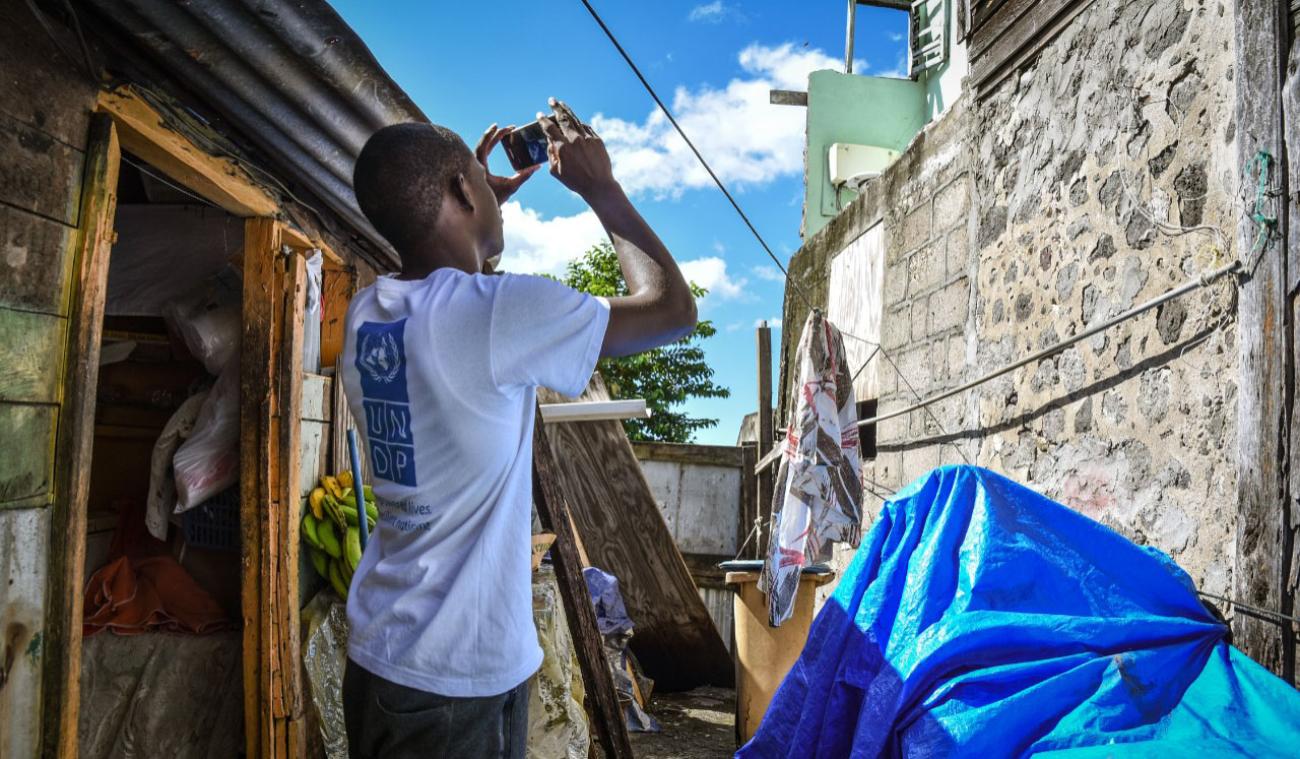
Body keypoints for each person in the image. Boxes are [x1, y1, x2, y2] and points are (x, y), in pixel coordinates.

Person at [339, 98, 696, 758]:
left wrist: (472, 211)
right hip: (453, 683)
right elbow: (672, 309)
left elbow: (458, 297)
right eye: (474, 185)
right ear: (456, 192)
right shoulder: (491, 316)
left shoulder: (370, 312)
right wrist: (601, 187)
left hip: (388, 653)